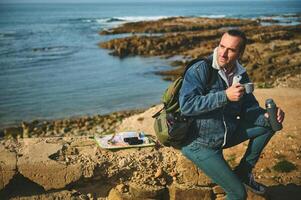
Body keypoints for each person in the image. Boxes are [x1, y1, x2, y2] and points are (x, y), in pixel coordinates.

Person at [179, 29, 285, 200]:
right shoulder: (200, 69)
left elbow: (249, 109)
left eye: (231, 50)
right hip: (199, 142)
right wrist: (224, 96)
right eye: (221, 46)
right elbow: (186, 106)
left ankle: (244, 172)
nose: (223, 53)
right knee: (238, 194)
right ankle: (239, 181)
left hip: (226, 134)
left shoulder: (241, 75)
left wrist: (266, 115)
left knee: (270, 124)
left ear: (240, 53)